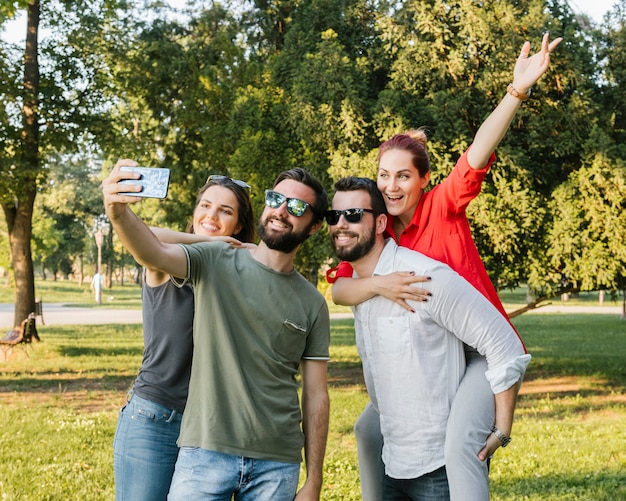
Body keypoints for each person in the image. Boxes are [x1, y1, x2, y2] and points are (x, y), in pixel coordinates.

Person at [327, 34, 561, 500]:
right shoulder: (380, 235)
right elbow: (340, 289)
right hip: (436, 353)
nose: (392, 187)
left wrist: (516, 92)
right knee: (369, 429)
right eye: (384, 176)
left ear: (423, 179)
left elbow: (477, 150)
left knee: (459, 450)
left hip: (480, 351)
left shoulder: (443, 205)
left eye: (404, 176)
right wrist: (380, 284)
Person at [103, 161, 330, 500]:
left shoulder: (310, 301)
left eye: (297, 206)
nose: (282, 210)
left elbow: (316, 394)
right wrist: (117, 212)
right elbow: (151, 247)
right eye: (275, 199)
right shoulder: (213, 258)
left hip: (265, 454)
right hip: (168, 421)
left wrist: (314, 480)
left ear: (313, 226)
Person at [327, 176, 530, 499]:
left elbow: (504, 344)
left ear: (381, 222)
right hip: (391, 463)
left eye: (353, 215)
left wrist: (502, 428)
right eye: (332, 216)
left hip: (438, 471)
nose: (340, 224)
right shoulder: (357, 285)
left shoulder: (423, 277)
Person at [112, 174, 256, 501]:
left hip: (209, 429)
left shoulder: (239, 274)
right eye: (205, 206)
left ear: (237, 225)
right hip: (154, 418)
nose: (211, 216)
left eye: (225, 211)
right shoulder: (166, 260)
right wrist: (211, 242)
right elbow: (147, 235)